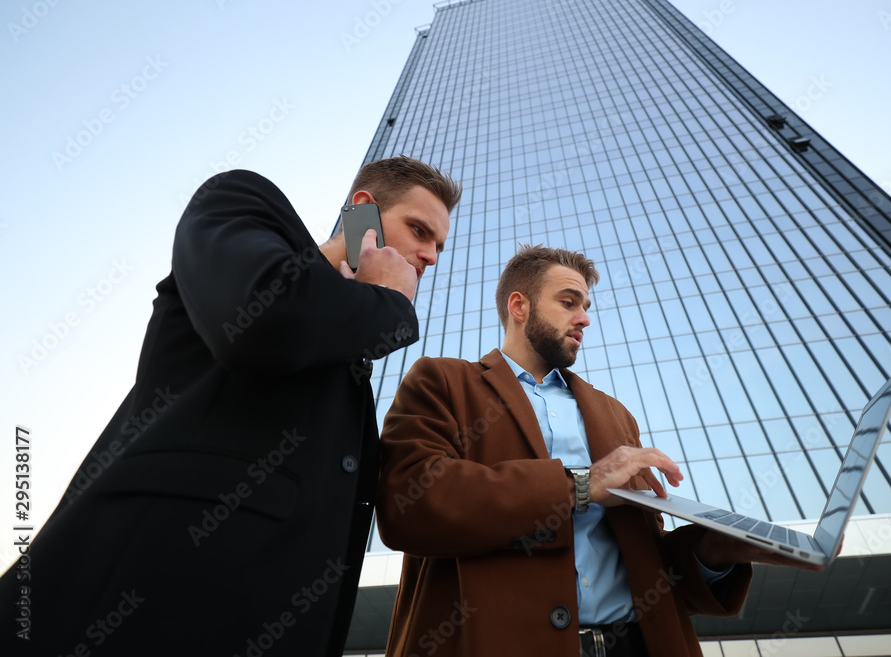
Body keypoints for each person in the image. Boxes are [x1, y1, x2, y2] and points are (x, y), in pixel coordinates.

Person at [0, 155, 461, 656]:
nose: (430, 255)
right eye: (419, 231)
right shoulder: (245, 202)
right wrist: (388, 300)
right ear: (364, 212)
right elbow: (259, 321)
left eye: (437, 244)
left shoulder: (349, 363)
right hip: (136, 599)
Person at [376, 245, 825, 657]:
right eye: (569, 302)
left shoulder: (616, 415)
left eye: (587, 307)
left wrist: (715, 551)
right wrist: (581, 485)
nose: (585, 318)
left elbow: (649, 564)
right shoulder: (443, 381)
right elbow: (408, 501)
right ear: (519, 306)